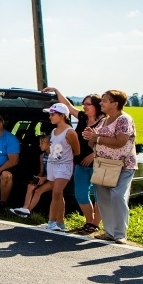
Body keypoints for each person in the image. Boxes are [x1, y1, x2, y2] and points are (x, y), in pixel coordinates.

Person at [42, 87, 104, 234]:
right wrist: (56, 91)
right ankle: (88, 220)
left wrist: (93, 155)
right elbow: (68, 106)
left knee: (99, 194)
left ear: (97, 105)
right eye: (84, 104)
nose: (85, 107)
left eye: (88, 104)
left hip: (98, 163)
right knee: (81, 193)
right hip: (80, 163)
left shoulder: (105, 122)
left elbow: (107, 142)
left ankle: (95, 223)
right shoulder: (82, 118)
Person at [83, 90, 136, 243]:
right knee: (103, 198)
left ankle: (120, 234)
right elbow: (92, 142)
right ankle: (110, 232)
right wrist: (90, 137)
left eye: (105, 100)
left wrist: (97, 138)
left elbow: (121, 141)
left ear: (115, 104)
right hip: (103, 165)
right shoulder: (104, 120)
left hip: (123, 165)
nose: (101, 103)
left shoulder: (124, 120)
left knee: (118, 196)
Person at [41, 104, 80, 231]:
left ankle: (51, 221)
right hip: (52, 165)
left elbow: (76, 150)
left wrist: (67, 160)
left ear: (62, 116)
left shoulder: (70, 132)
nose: (50, 117)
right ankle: (60, 222)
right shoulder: (53, 131)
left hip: (64, 166)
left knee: (57, 192)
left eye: (53, 114)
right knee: (57, 194)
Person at [11, 134, 53, 218]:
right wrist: (38, 178)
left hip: (54, 179)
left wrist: (44, 178)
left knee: (38, 191)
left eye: (42, 143)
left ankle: (27, 212)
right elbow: (41, 171)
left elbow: (55, 173)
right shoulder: (42, 156)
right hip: (45, 178)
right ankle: (24, 208)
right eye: (39, 143)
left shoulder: (54, 156)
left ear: (49, 144)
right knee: (30, 186)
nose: (39, 145)